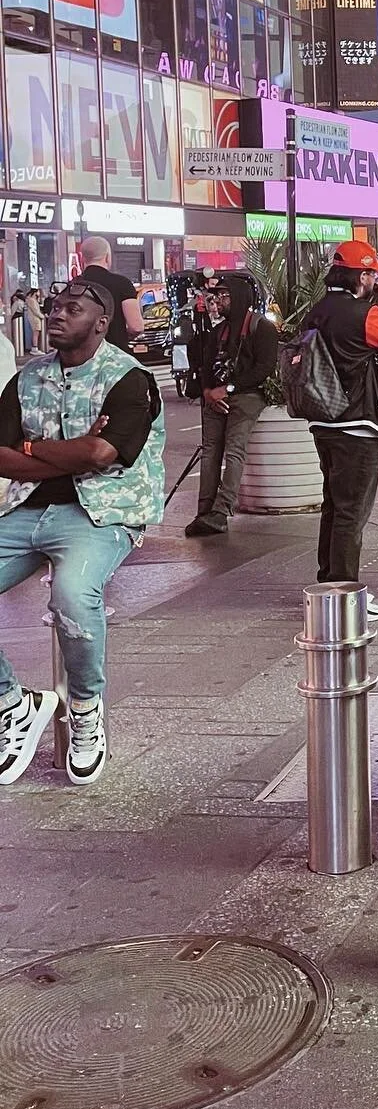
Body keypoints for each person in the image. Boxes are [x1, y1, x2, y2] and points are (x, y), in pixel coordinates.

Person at [0, 279, 164, 787]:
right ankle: (13, 704)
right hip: (25, 509)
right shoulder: (28, 378)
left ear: (101, 323)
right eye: (55, 307)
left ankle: (85, 708)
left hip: (102, 513)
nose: (57, 314)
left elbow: (103, 454)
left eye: (73, 309)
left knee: (73, 594)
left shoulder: (130, 379)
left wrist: (32, 449)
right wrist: (67, 455)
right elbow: (2, 457)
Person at [299, 240, 378, 621]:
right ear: (361, 276)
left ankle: (327, 586)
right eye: (372, 275)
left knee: (334, 507)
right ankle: (343, 596)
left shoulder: (317, 311)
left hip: (323, 421)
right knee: (351, 513)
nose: (376, 280)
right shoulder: (362, 315)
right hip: (357, 424)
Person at [184, 276, 278, 539]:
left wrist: (228, 389)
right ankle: (204, 511)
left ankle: (221, 511)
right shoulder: (218, 332)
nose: (219, 302)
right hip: (216, 396)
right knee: (210, 451)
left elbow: (264, 368)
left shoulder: (261, 328)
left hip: (246, 396)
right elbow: (205, 366)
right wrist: (208, 392)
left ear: (239, 298)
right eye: (218, 296)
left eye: (225, 296)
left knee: (234, 450)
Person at [76, 236, 144, 352]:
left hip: (81, 354)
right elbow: (136, 327)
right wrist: (122, 336)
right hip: (115, 353)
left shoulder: (74, 285)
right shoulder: (122, 284)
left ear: (82, 258)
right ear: (107, 257)